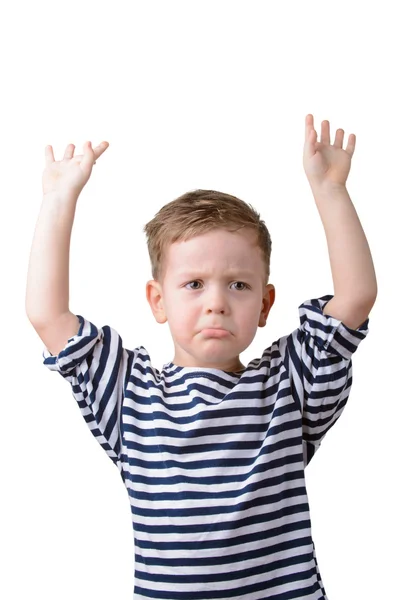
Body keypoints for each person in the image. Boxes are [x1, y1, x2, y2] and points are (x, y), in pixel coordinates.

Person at [25, 114, 377, 599]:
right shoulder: (128, 394)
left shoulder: (289, 386)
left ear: (264, 305)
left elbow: (355, 299)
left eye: (238, 284)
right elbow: (47, 315)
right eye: (193, 284)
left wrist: (331, 189)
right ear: (158, 301)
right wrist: (58, 198)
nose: (216, 301)